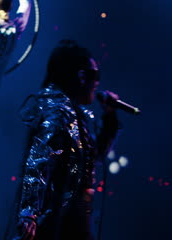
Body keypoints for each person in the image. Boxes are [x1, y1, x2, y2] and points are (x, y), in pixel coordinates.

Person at [13, 40, 121, 240]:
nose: (97, 83)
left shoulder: (71, 113)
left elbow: (92, 156)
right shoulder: (57, 112)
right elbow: (40, 158)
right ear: (81, 76)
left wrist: (110, 119)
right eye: (94, 75)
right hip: (56, 222)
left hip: (69, 219)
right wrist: (29, 211)